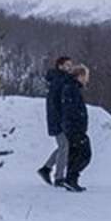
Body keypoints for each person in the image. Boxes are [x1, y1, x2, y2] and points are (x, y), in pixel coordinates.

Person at [37, 56, 74, 186]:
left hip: (60, 119)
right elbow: (56, 103)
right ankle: (59, 177)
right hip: (58, 120)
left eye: (71, 65)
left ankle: (46, 169)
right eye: (67, 65)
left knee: (63, 146)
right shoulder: (59, 81)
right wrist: (61, 119)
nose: (70, 67)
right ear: (60, 66)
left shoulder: (63, 80)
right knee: (65, 146)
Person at [58, 63, 91, 192]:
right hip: (74, 128)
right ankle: (71, 178)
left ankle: (71, 180)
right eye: (86, 76)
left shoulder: (72, 88)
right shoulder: (71, 89)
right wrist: (77, 123)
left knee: (75, 154)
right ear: (80, 76)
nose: (87, 80)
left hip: (73, 127)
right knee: (85, 154)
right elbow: (71, 109)